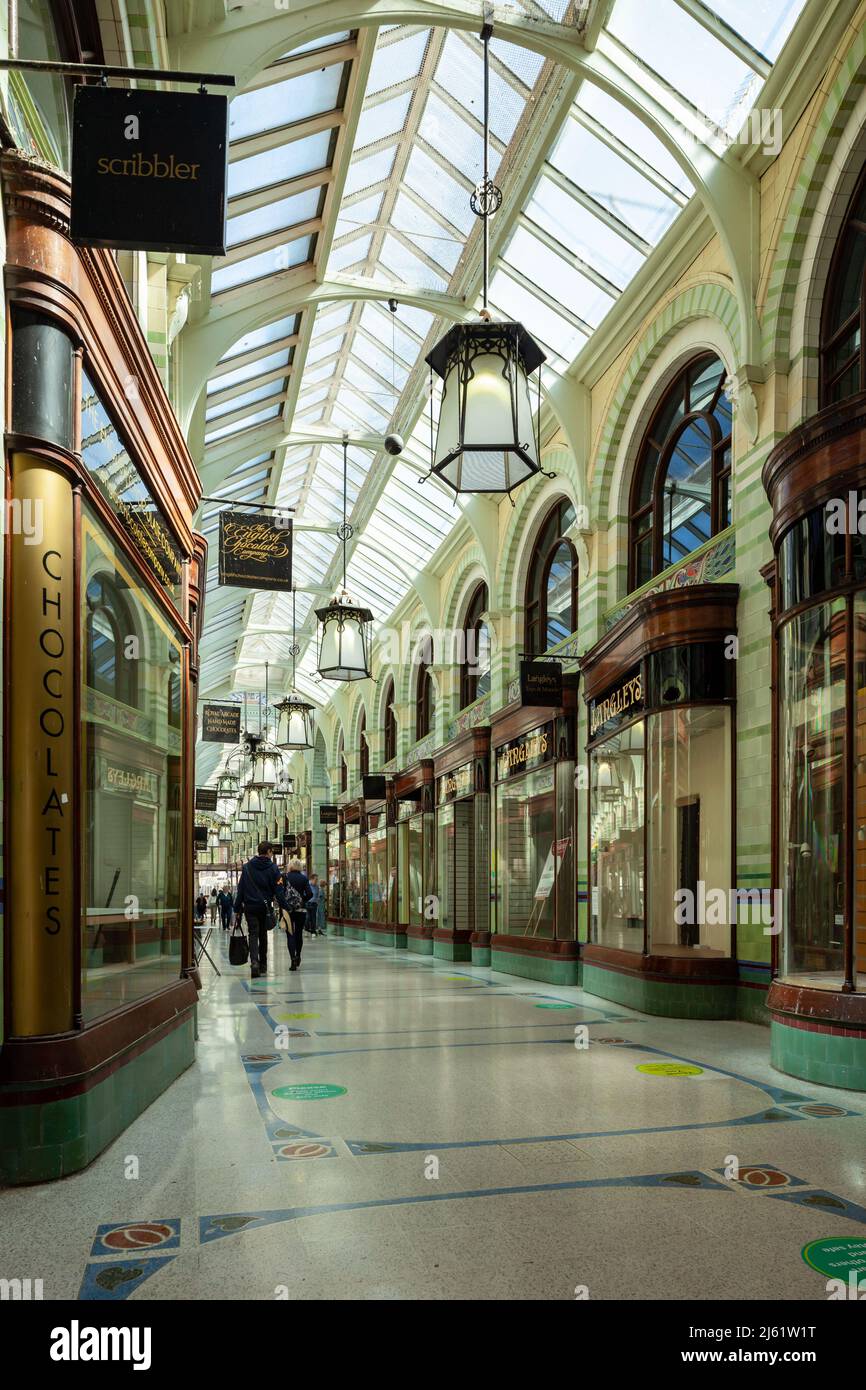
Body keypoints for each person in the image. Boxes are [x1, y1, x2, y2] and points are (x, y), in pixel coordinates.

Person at [234, 842, 289, 980]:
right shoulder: (273, 868)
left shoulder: (247, 868)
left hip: (250, 907)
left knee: (253, 933)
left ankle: (254, 962)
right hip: (265, 907)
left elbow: (241, 888)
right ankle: (263, 964)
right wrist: (284, 905)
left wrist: (237, 907)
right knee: (263, 934)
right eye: (271, 852)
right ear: (269, 851)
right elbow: (279, 889)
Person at [284, 858, 313, 972]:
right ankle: (298, 955)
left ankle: (292, 960)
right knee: (298, 933)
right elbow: (310, 893)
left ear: (290, 866)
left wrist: (284, 904)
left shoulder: (284, 877)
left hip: (288, 911)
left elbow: (279, 892)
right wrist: (302, 901)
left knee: (290, 934)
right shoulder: (304, 878)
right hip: (301, 910)